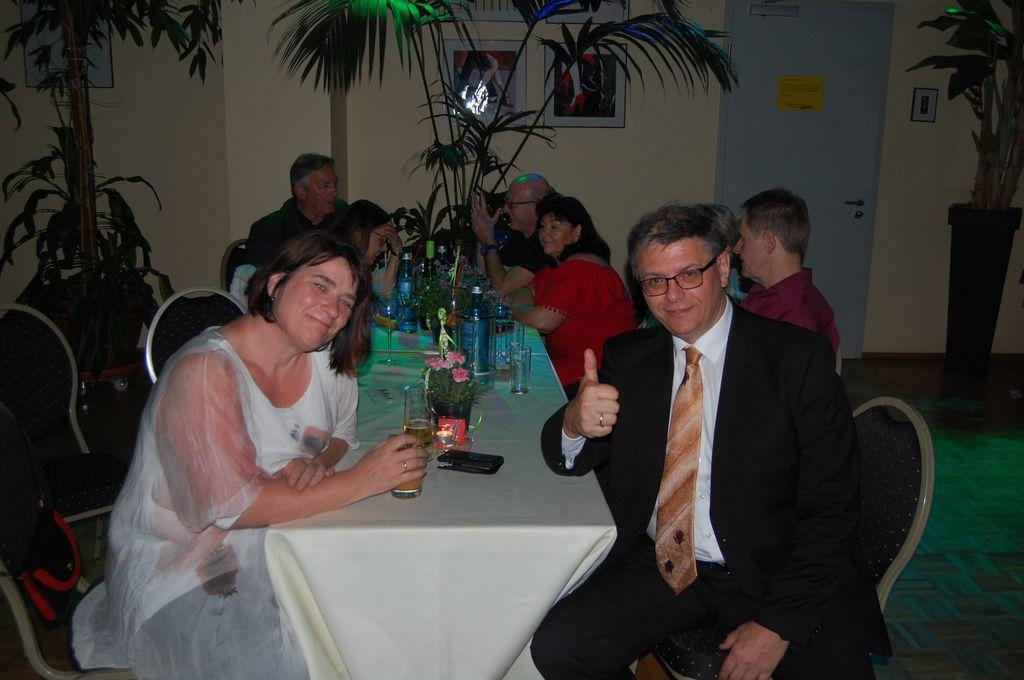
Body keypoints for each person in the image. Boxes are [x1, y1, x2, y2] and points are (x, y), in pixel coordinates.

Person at [530, 204, 889, 679]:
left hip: (776, 568)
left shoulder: (796, 360)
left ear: (722, 267)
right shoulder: (630, 359)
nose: (672, 296)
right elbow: (569, 456)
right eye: (655, 281)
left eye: (688, 274)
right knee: (558, 647)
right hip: (666, 565)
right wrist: (575, 423)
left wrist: (777, 625)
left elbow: (833, 508)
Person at [72, 232, 426, 680]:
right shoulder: (204, 371)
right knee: (306, 656)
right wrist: (361, 480)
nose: (332, 308)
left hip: (283, 539)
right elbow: (233, 507)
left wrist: (317, 463)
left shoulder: (324, 358)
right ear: (276, 283)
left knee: (383, 611)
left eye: (345, 301)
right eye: (320, 285)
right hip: (186, 566)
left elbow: (341, 433)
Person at [510, 193, 635, 388]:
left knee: (513, 378)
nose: (544, 233)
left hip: (595, 373)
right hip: (570, 364)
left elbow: (542, 322)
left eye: (555, 227)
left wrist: (511, 310)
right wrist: (519, 304)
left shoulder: (581, 269)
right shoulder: (557, 267)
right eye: (542, 226)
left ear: (577, 233)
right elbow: (524, 293)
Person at [733, 188, 840, 352]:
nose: (736, 249)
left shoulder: (797, 318)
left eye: (743, 240)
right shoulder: (764, 292)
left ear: (768, 242)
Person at [245, 153, 348, 269]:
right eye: (325, 186)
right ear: (300, 192)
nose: (334, 192)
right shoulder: (268, 231)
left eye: (334, 184)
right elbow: (263, 277)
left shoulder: (344, 216)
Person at [470, 173, 551, 294]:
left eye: (511, 205)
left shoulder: (546, 243)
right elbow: (488, 277)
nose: (505, 209)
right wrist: (482, 236)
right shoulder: (518, 235)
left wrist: (489, 242)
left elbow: (500, 288)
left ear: (536, 207)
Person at [330, 199, 403, 297]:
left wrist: (396, 251)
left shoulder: (355, 267)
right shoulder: (335, 267)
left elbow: (385, 295)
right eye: (381, 240)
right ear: (360, 233)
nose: (385, 249)